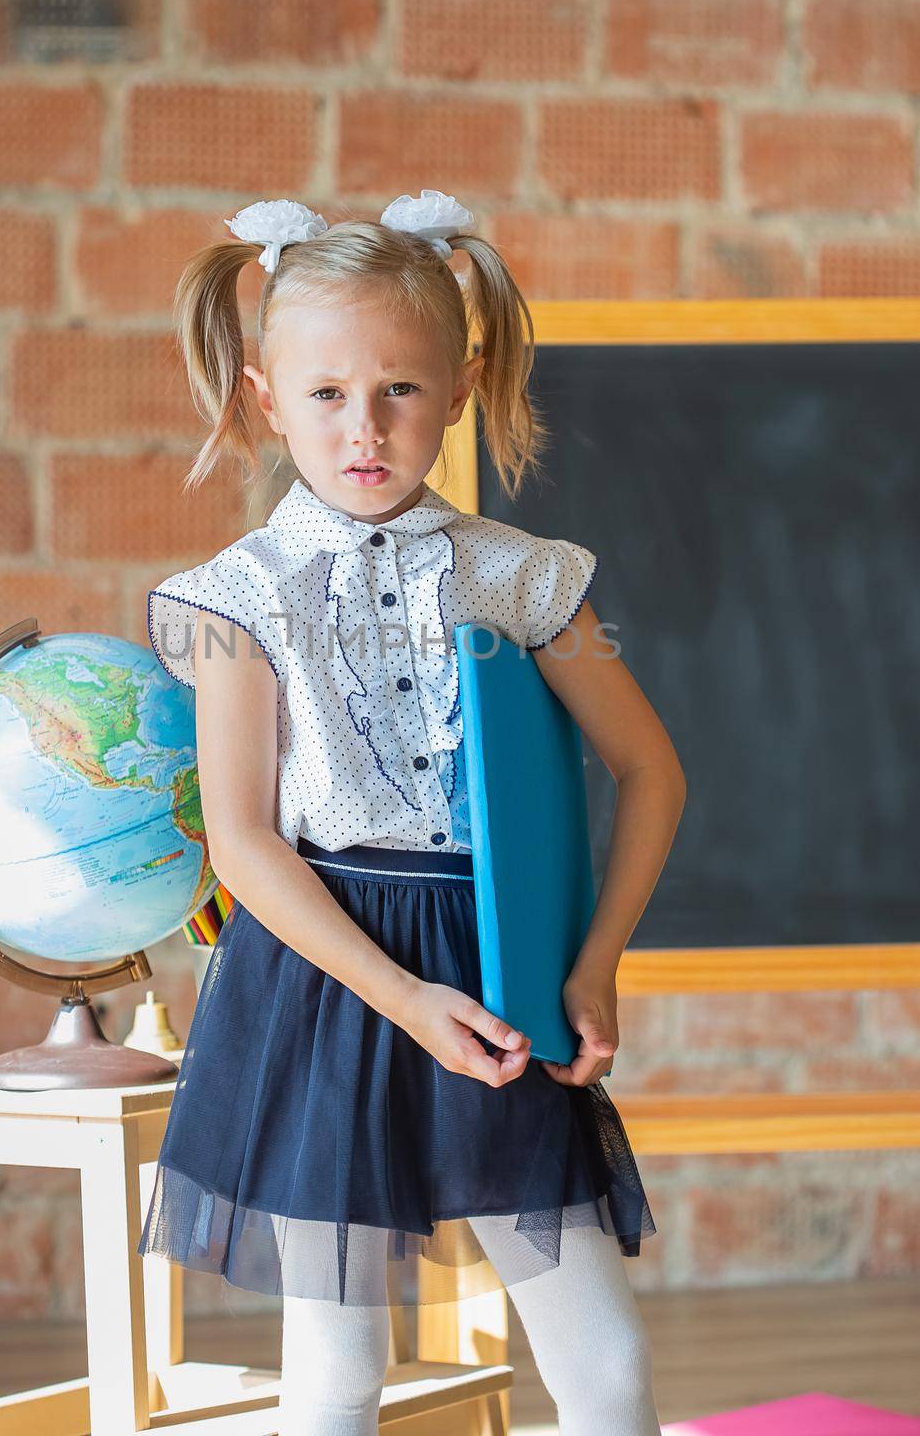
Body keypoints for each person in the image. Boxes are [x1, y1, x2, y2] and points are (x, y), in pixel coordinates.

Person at [138, 190, 687, 1434]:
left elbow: (652, 774)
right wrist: (401, 1000)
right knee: (335, 1378)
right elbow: (243, 843)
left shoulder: (521, 574)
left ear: (458, 385)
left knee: (605, 1365)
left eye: (398, 388)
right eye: (325, 392)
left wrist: (591, 967)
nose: (365, 426)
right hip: (324, 984)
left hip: (494, 971)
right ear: (268, 397)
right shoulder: (239, 595)